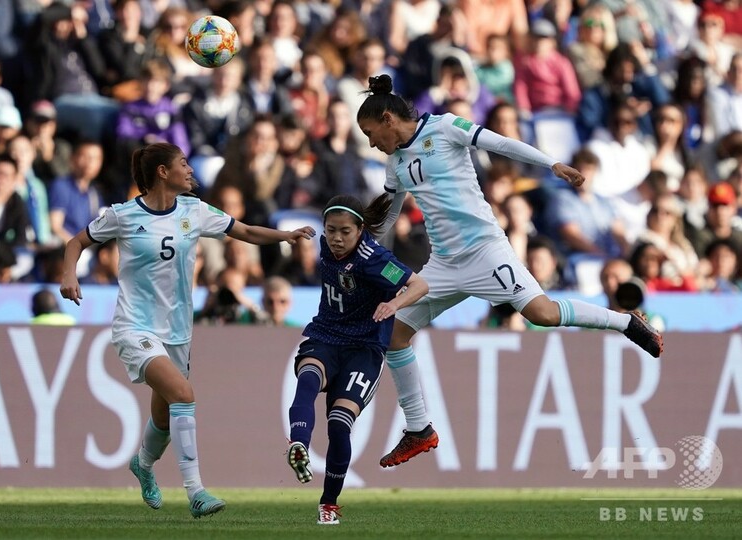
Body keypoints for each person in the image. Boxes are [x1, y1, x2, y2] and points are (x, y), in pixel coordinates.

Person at [355, 74, 664, 468]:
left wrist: (551, 163)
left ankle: (625, 323)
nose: (370, 142)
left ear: (387, 118)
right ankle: (419, 429)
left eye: (370, 132)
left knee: (543, 314)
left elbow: (500, 142)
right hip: (444, 265)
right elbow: (389, 215)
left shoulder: (446, 126)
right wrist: (364, 252)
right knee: (395, 335)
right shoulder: (395, 164)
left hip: (485, 251)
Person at [60, 142, 314, 518]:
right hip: (135, 325)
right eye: (183, 164)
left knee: (164, 416)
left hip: (177, 329)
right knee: (183, 393)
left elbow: (243, 231)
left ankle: (143, 465)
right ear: (163, 172)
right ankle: (196, 491)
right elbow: (76, 242)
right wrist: (68, 274)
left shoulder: (194, 211)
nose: (191, 170)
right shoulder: (124, 215)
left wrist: (286, 236)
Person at [286, 194, 428, 525]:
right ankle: (299, 445)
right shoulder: (324, 244)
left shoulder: (374, 258)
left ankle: (329, 503)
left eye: (345, 232)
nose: (336, 238)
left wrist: (393, 306)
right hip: (326, 335)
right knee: (308, 378)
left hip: (364, 348)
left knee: (339, 423)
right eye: (331, 230)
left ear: (360, 230)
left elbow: (419, 285)